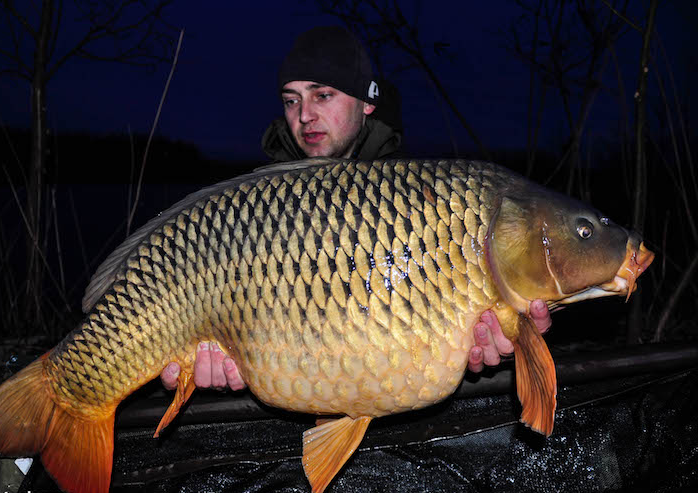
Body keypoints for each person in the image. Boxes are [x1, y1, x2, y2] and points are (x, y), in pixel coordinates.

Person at [160, 26, 551, 392]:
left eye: (322, 95)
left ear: (367, 102)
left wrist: (478, 347)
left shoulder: (423, 203)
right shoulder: (253, 206)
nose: (304, 115)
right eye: (291, 100)